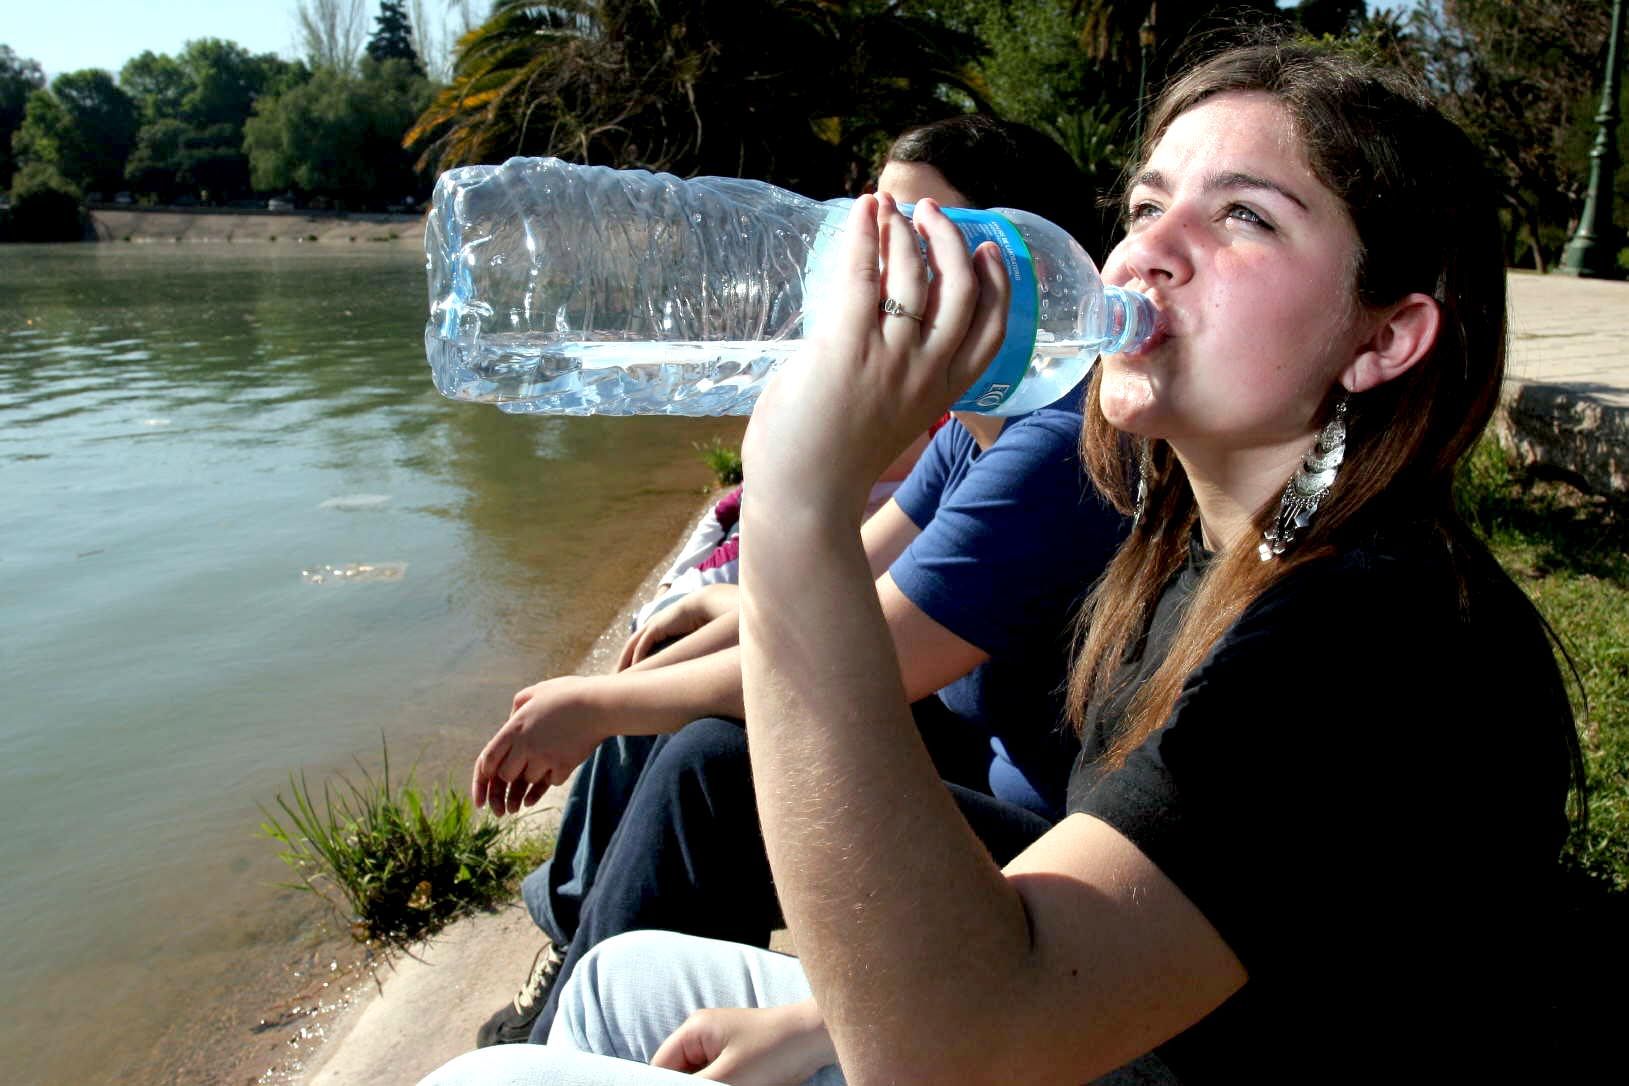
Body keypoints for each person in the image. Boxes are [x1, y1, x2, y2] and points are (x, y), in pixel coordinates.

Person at [425, 39, 1586, 1084]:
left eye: (1244, 217)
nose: (1145, 254)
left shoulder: (1367, 638)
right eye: (1146, 203)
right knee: (618, 989)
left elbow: (961, 1047)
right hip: (1109, 1030)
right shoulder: (1196, 545)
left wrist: (795, 507)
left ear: (1384, 338)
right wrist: (831, 1021)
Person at [469, 115, 1125, 1048]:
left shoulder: (1056, 447)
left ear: (1021, 258)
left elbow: (858, 659)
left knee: (708, 761)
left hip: (1046, 855)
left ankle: (579, 1041)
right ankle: (577, 955)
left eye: (924, 232)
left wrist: (599, 705)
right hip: (971, 757)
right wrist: (655, 655)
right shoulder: (970, 432)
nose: (881, 265)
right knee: (660, 671)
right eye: (877, 228)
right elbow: (838, 589)